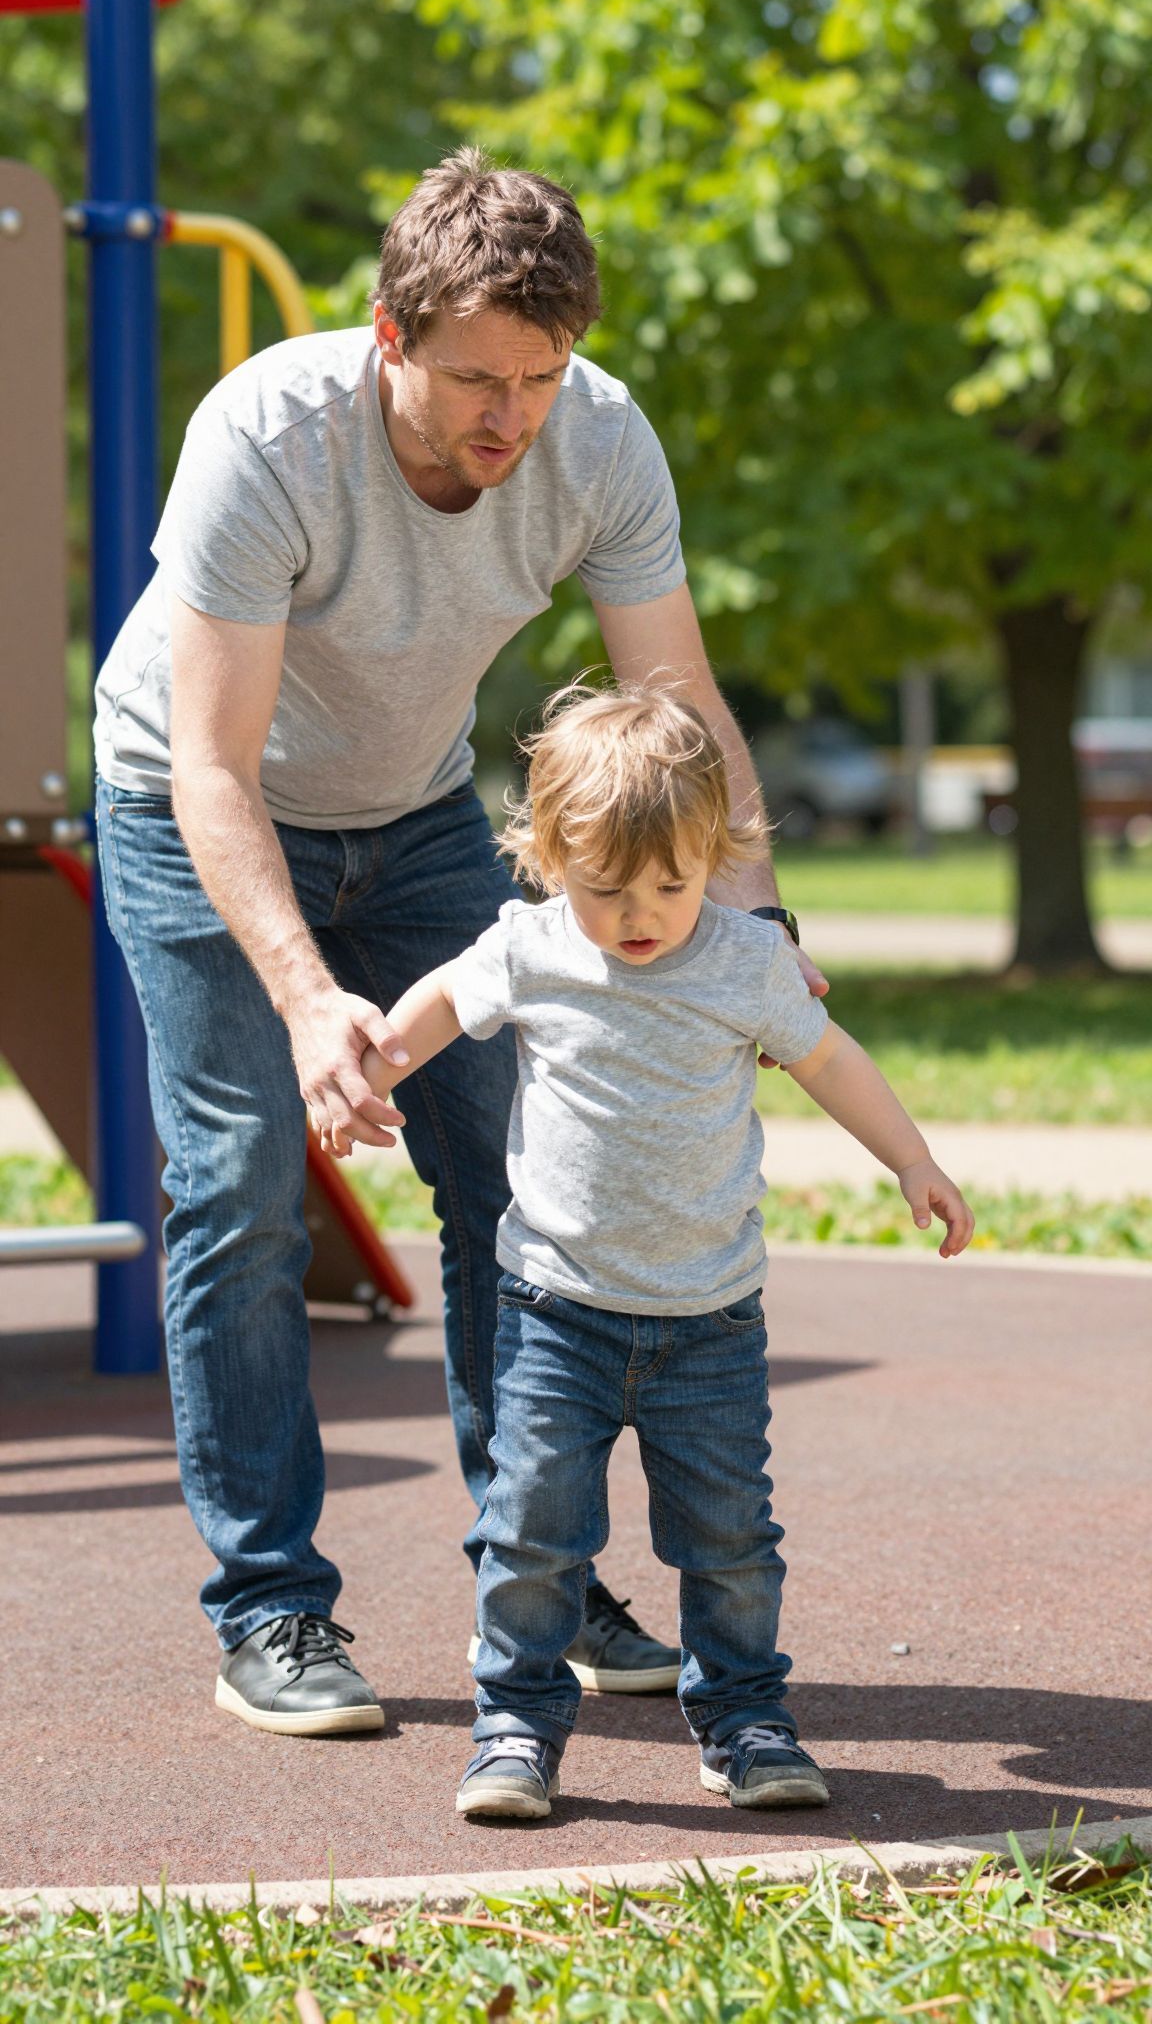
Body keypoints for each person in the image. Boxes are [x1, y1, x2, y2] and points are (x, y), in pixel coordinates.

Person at [92, 147, 827, 1734]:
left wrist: (759, 920)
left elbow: (681, 698)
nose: (510, 418)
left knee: (514, 1174)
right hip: (192, 800)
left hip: (419, 808)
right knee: (237, 1183)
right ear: (388, 336)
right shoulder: (268, 436)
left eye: (540, 381)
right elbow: (214, 768)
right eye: (476, 379)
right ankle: (273, 1612)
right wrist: (306, 1003)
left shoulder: (599, 440)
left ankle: (539, 1576)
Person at [358, 684, 975, 1817]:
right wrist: (377, 1063)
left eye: (672, 884)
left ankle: (744, 1720)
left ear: (715, 856)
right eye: (606, 888)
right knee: (533, 1528)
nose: (641, 912)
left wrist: (911, 1156)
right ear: (548, 859)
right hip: (557, 1310)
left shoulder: (744, 959)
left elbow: (832, 1060)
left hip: (711, 1320)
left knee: (731, 1537)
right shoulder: (534, 946)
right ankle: (514, 1728)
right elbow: (444, 999)